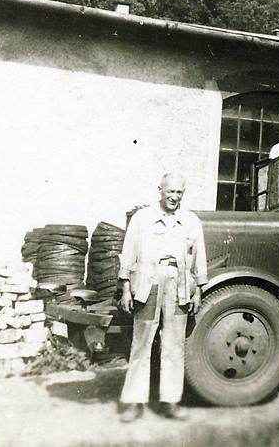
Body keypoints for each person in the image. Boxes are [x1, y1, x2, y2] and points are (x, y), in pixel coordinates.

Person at [117, 173, 207, 422]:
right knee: (142, 344)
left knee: (174, 345)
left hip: (178, 285)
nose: (174, 197)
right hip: (148, 283)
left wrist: (198, 288)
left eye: (179, 193)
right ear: (160, 191)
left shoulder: (190, 221)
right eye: (171, 192)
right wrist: (126, 287)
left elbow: (199, 257)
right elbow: (128, 255)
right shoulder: (142, 218)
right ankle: (135, 402)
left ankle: (170, 402)